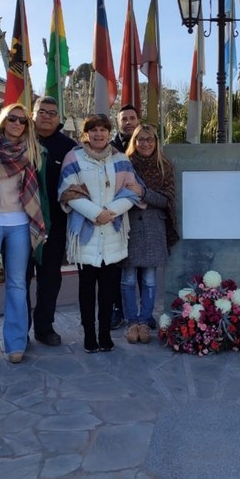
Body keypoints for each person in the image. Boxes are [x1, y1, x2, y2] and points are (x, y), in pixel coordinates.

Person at [0, 103, 48, 366]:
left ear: (28, 126)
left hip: (20, 225)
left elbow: (43, 193)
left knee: (17, 284)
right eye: (12, 118)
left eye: (23, 121)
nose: (17, 124)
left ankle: (16, 343)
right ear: (3, 120)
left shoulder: (36, 153)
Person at [59, 114, 140, 353]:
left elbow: (133, 191)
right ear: (86, 133)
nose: (99, 134)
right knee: (86, 289)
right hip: (86, 233)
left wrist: (110, 212)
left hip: (113, 233)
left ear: (108, 132)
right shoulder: (73, 157)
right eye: (93, 129)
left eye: (103, 129)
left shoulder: (121, 159)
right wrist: (96, 214)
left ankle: (104, 334)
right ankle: (89, 335)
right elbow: (68, 191)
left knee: (107, 290)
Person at [25, 97, 77, 347]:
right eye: (41, 111)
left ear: (59, 118)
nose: (46, 116)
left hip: (55, 225)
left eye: (52, 113)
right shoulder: (20, 139)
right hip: (20, 224)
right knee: (19, 278)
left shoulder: (69, 147)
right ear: (32, 115)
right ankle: (19, 329)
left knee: (49, 278)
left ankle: (44, 327)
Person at [121, 124, 179, 344]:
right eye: (140, 139)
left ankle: (145, 321)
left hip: (155, 227)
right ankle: (131, 322)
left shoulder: (164, 165)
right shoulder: (124, 164)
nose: (145, 143)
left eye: (150, 139)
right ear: (133, 142)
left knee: (149, 279)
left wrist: (143, 193)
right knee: (127, 278)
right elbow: (117, 191)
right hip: (129, 225)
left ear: (156, 142)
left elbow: (167, 199)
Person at [108, 103, 141, 329]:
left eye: (132, 118)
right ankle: (117, 309)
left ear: (138, 121)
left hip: (143, 217)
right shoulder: (109, 149)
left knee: (141, 269)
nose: (128, 122)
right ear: (118, 122)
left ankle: (140, 313)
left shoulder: (147, 144)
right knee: (116, 269)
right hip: (115, 216)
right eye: (124, 119)